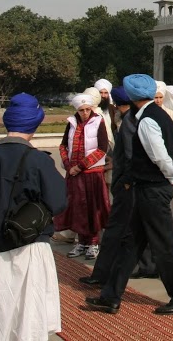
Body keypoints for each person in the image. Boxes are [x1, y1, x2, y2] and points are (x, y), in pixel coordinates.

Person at [86, 74, 173, 316]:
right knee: (131, 243)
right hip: (148, 187)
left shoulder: (146, 120)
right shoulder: (160, 115)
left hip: (152, 189)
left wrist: (172, 177)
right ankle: (110, 296)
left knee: (165, 246)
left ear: (132, 96)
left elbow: (159, 155)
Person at [0, 93, 67, 341]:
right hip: (27, 244)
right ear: (35, 124)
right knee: (27, 312)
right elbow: (58, 201)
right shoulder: (37, 160)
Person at [79, 86, 156, 286]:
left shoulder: (130, 122)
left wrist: (126, 182)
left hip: (128, 185)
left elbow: (130, 156)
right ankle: (147, 266)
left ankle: (103, 275)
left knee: (117, 231)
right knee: (139, 228)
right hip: (132, 183)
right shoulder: (131, 119)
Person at [55, 93, 110, 260]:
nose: (85, 113)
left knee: (93, 207)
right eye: (81, 110)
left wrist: (80, 166)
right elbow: (63, 145)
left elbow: (102, 148)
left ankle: (93, 242)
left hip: (92, 172)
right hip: (74, 173)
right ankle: (81, 241)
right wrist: (68, 164)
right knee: (77, 207)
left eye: (88, 109)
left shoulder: (98, 121)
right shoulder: (71, 123)